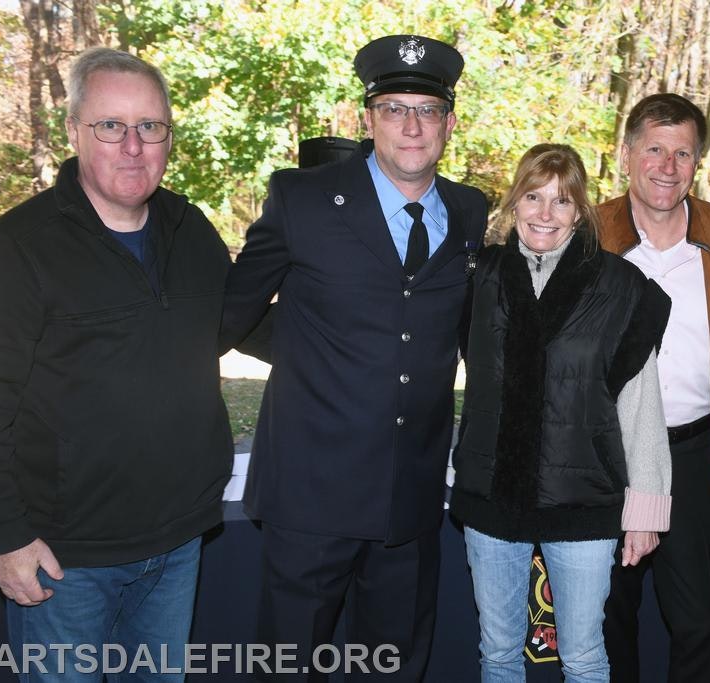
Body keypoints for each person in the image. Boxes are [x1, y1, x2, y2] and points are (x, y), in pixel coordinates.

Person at [0, 47, 233, 679]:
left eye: (150, 126)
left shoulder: (190, 229)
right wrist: (4, 534)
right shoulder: (13, 251)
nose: (133, 145)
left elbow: (247, 323)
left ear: (168, 135)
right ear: (74, 132)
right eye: (111, 125)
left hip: (179, 540)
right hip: (62, 560)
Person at [220, 35, 488, 680]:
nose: (411, 125)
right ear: (367, 119)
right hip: (311, 495)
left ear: (449, 122)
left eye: (427, 110)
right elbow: (232, 315)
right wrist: (313, 356)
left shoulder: (468, 210)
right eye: (394, 108)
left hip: (412, 498)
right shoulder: (301, 198)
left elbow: (468, 333)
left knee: (394, 666)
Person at [450, 143, 673, 681]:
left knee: (583, 656)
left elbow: (641, 404)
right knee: (498, 653)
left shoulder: (621, 287)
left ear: (581, 211)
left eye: (562, 201)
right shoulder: (477, 279)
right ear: (514, 202)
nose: (545, 214)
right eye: (533, 196)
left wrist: (645, 511)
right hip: (491, 495)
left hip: (583, 501)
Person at [598, 93, 710, 682]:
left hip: (694, 455)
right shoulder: (587, 233)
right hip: (603, 457)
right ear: (626, 156)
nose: (667, 166)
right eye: (654, 149)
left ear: (697, 163)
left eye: (683, 153)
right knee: (605, 616)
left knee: (700, 621)